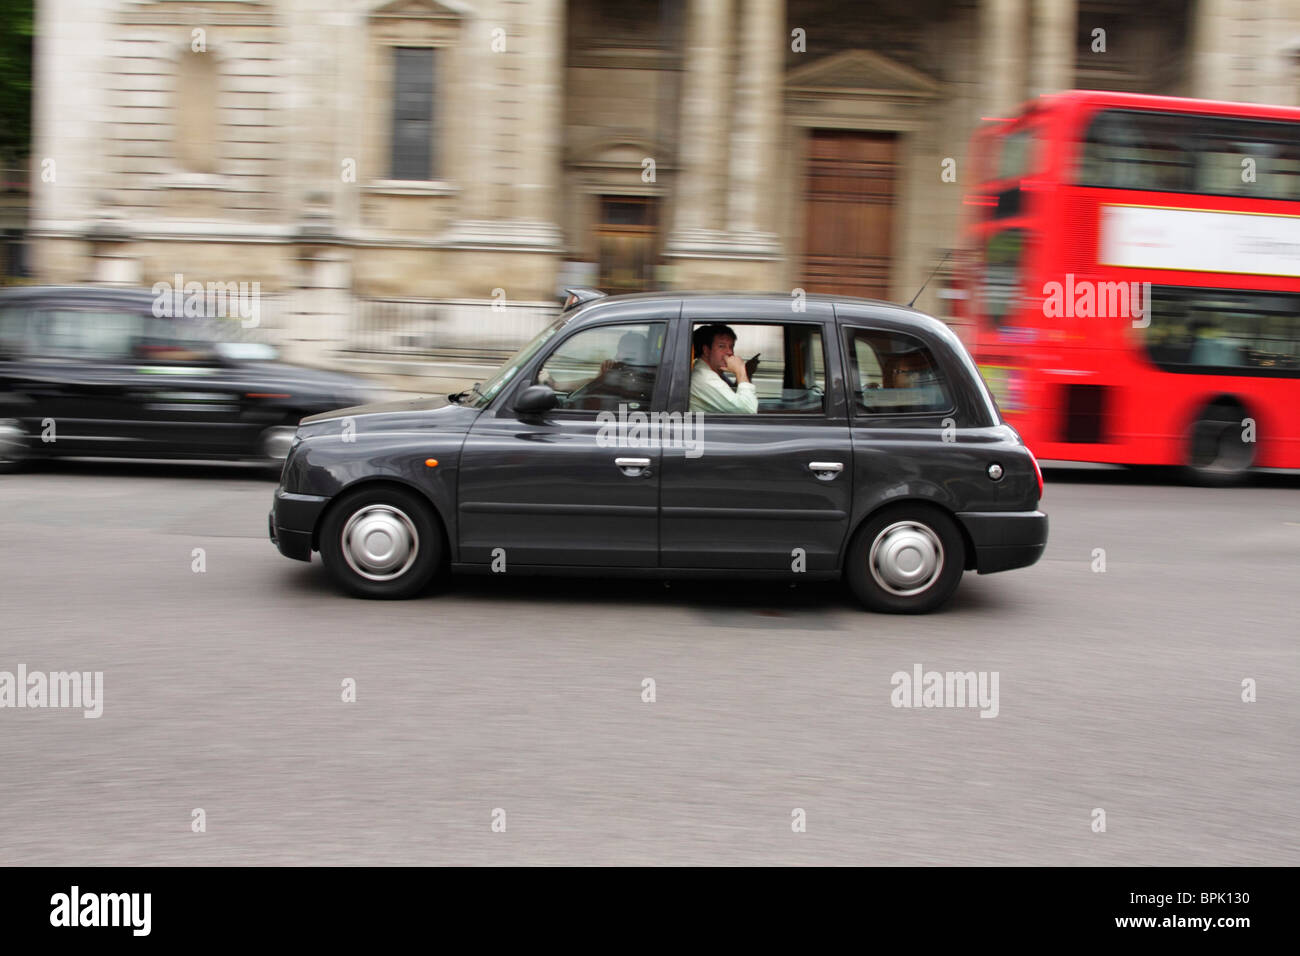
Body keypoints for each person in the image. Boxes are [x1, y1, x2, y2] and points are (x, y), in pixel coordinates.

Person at [689, 324, 758, 414]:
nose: (730, 352)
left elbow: (733, 397)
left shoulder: (713, 373)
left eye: (731, 346)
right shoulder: (705, 378)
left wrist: (746, 374)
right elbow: (749, 410)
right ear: (706, 351)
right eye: (722, 346)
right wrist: (740, 371)